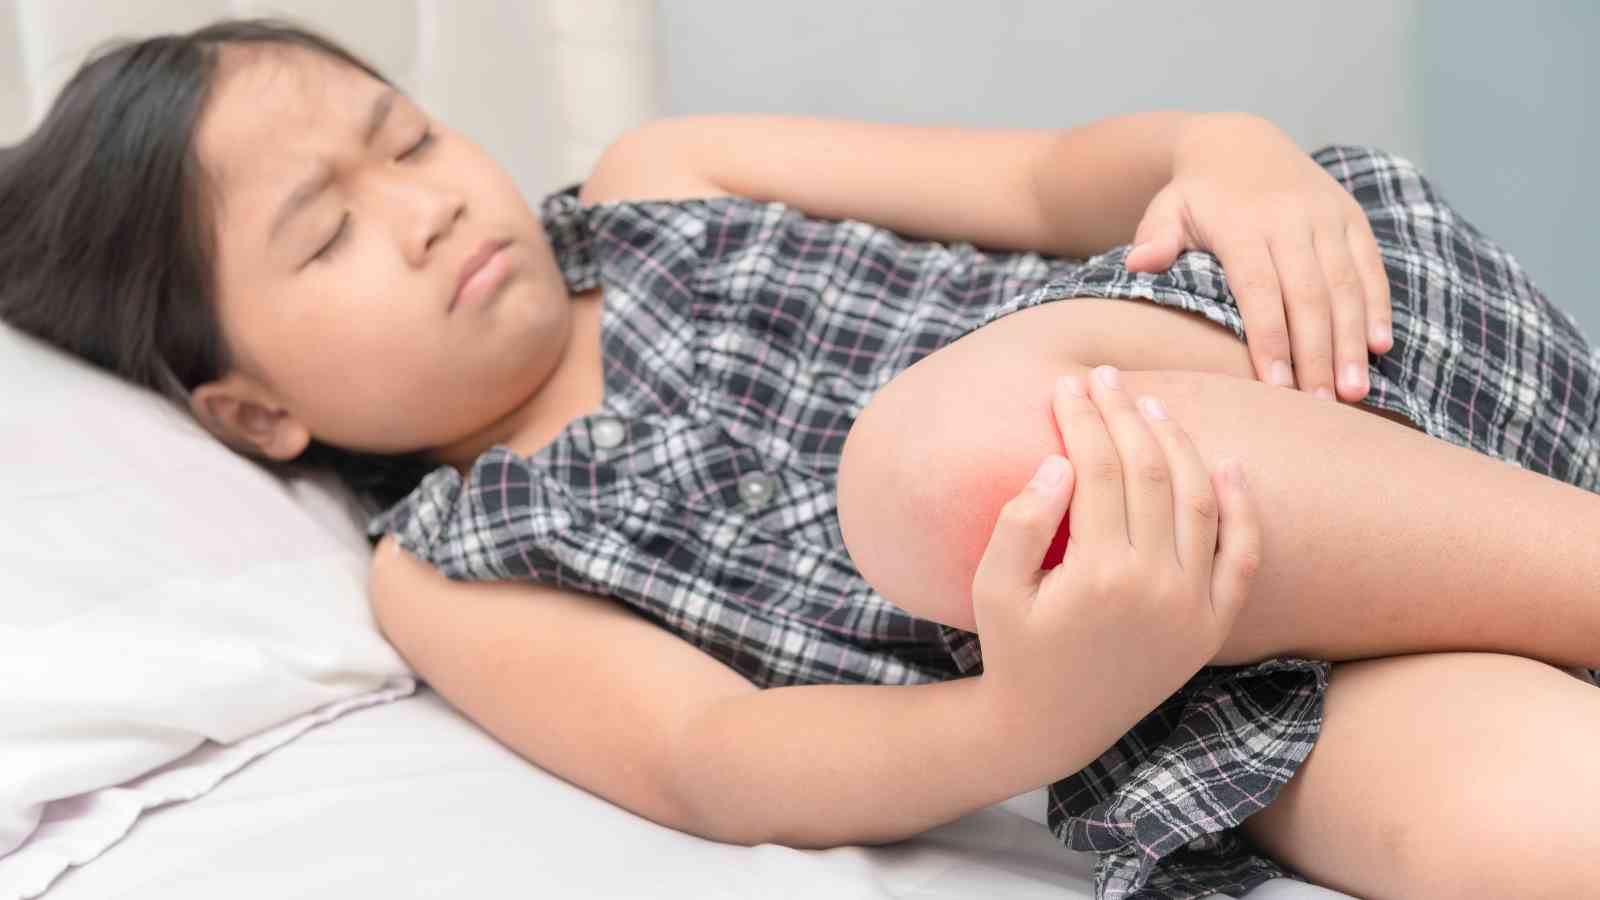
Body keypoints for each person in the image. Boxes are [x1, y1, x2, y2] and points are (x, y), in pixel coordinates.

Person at [2, 17, 1598, 900]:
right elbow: (720, 759)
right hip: (1181, 681)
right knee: (1530, 837)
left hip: (1285, 362)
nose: (421, 203)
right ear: (254, 415)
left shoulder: (659, 180)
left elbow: (1053, 184)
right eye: (330, 229)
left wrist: (1219, 154)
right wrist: (1039, 713)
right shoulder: (447, 571)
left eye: (407, 136)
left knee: (946, 474)